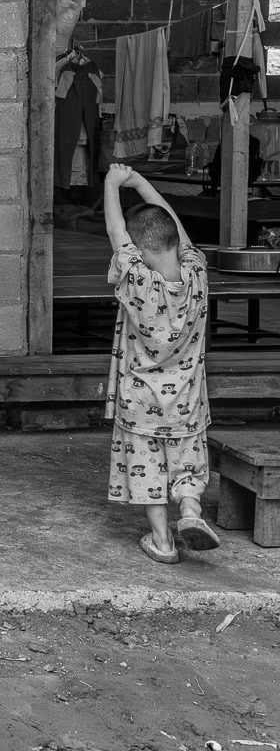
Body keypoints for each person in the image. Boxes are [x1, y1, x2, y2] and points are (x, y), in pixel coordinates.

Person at [101, 163, 219, 564]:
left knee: (147, 469)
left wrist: (111, 184)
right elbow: (174, 228)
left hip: (139, 402)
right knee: (186, 461)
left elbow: (117, 233)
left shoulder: (138, 281)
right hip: (187, 402)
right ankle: (189, 510)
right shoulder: (197, 275)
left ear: (139, 251)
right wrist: (140, 183)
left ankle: (163, 542)